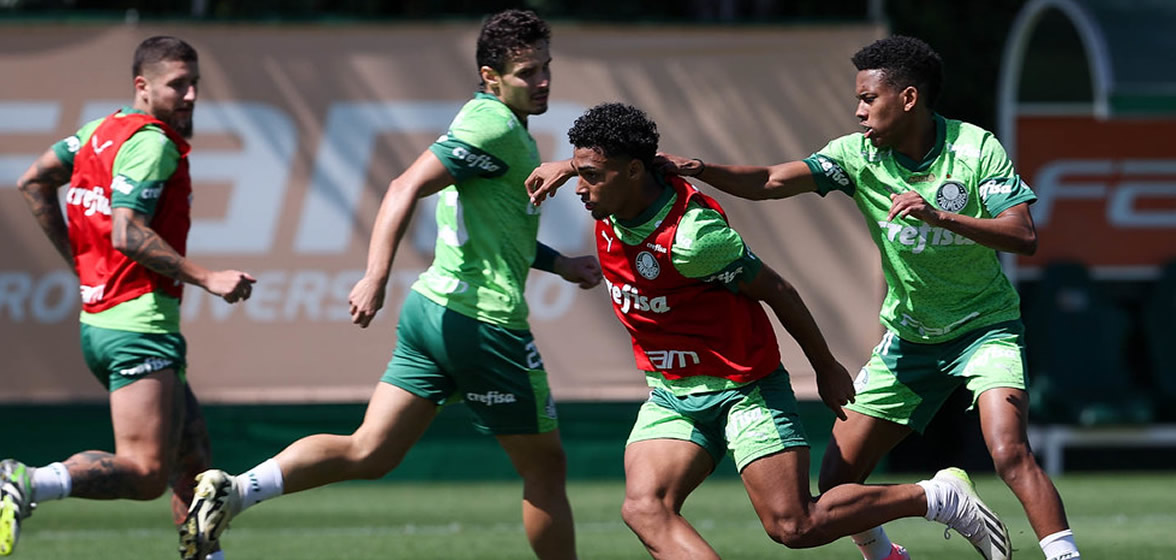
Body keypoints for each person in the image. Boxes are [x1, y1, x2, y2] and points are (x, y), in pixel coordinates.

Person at [599, 35, 1079, 560]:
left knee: (1008, 451)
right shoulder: (854, 156)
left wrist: (939, 216)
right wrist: (700, 168)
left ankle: (1063, 555)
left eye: (868, 99)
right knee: (835, 481)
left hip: (984, 329)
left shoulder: (974, 147)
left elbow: (1022, 234)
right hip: (911, 337)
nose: (858, 111)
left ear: (908, 99)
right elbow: (769, 180)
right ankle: (888, 555)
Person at [178, 9, 599, 560]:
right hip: (482, 324)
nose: (542, 81)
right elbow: (402, 187)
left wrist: (561, 264)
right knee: (545, 467)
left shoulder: (493, 123)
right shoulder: (491, 124)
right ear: (491, 77)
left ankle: (235, 491)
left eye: (546, 67)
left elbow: (496, 232)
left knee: (369, 451)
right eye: (527, 72)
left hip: (432, 313)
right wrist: (375, 276)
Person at [524, 102, 1012, 560]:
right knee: (644, 508)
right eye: (579, 175)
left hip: (744, 391)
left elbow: (779, 291)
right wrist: (565, 167)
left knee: (793, 526)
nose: (580, 190)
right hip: (673, 394)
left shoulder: (695, 238)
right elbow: (610, 164)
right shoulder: (612, 198)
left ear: (633, 172)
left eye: (589, 178)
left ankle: (935, 496)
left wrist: (825, 367)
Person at [0, 36, 254, 559]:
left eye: (195, 83)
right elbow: (127, 233)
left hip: (104, 319)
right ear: (143, 86)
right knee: (146, 473)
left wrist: (79, 262)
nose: (191, 95)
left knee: (193, 456)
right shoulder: (152, 141)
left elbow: (34, 180)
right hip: (138, 326)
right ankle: (31, 482)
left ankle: (207, 556)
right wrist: (208, 277)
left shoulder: (99, 131)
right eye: (178, 84)